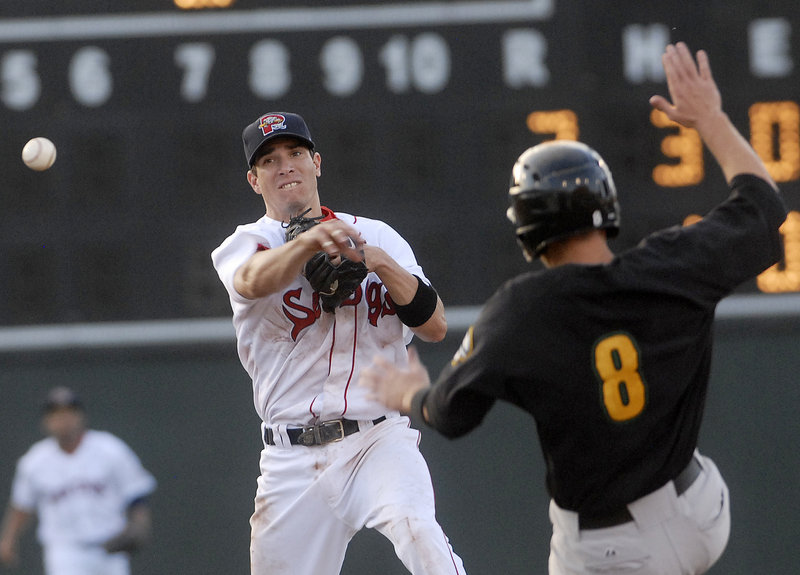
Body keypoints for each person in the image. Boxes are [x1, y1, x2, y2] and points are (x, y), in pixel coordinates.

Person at [360, 42, 787, 574]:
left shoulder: (520, 312)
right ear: (605, 204)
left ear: (526, 227)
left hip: (612, 552)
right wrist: (711, 118)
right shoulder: (673, 265)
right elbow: (764, 209)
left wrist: (410, 394)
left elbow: (450, 414)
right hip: (701, 512)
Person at [210, 111, 465, 574]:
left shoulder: (376, 233)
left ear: (317, 163)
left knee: (419, 530)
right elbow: (248, 281)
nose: (285, 165)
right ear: (254, 180)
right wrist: (306, 246)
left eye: (295, 153)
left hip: (377, 440)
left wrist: (378, 262)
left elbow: (435, 326)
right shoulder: (248, 242)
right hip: (292, 460)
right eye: (269, 160)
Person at [0, 386, 157, 575]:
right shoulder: (34, 461)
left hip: (110, 545)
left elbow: (136, 493)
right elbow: (22, 506)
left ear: (81, 416)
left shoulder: (110, 449)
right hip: (65, 551)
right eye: (56, 415)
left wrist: (140, 523)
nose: (64, 421)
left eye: (69, 413)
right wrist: (8, 539)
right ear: (46, 422)